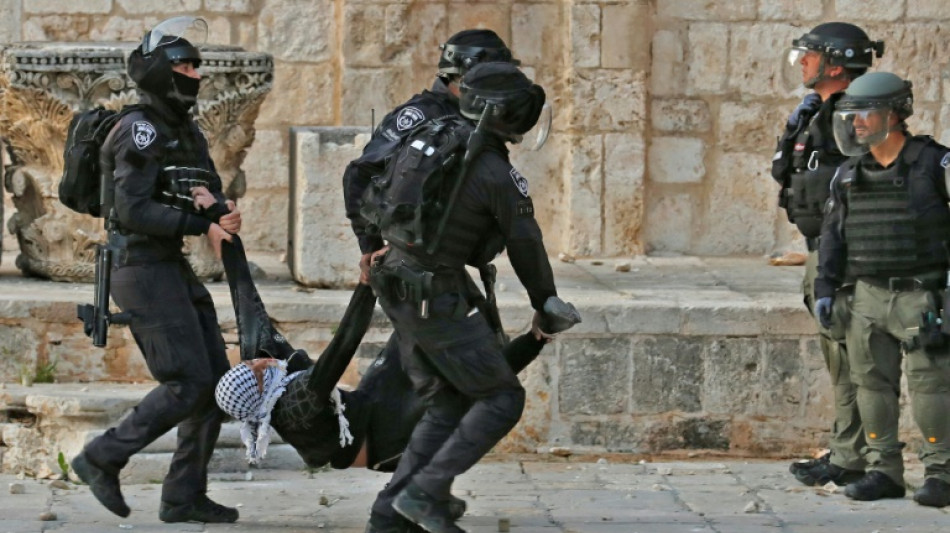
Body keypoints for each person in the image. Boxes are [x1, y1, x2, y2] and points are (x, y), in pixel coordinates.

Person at [353, 62, 577, 533]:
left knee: (448, 401)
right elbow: (526, 243)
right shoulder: (493, 170)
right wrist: (546, 301)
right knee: (501, 398)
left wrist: (372, 247)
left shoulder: (432, 137)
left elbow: (368, 180)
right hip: (433, 294)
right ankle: (424, 493)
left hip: (397, 282)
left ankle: (389, 514)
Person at [70, 16, 242, 523]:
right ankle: (102, 456)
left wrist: (221, 210)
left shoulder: (183, 129)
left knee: (214, 385)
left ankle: (183, 496)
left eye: (195, 65)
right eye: (183, 65)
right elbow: (131, 210)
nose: (193, 74)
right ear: (157, 72)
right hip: (139, 266)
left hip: (168, 264)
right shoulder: (139, 128)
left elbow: (205, 186)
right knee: (184, 383)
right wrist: (201, 224)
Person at [817, 71, 950, 507]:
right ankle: (883, 471)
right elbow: (834, 235)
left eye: (864, 114)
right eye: (850, 115)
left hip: (922, 295)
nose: (854, 124)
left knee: (931, 386)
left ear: (893, 115)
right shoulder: (850, 173)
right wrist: (826, 288)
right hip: (867, 296)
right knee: (871, 385)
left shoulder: (935, 164)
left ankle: (941, 473)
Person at [772, 22, 884, 487]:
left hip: (845, 251)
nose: (802, 62)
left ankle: (863, 459)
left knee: (857, 358)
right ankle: (846, 451)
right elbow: (787, 170)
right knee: (838, 354)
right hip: (820, 247)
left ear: (835, 64)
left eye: (810, 55)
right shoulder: (818, 113)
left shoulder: (859, 116)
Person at [343, 29, 520, 285]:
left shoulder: (476, 117)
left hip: (446, 260)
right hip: (410, 263)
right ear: (463, 76)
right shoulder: (422, 115)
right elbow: (358, 174)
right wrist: (370, 246)